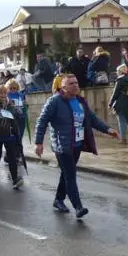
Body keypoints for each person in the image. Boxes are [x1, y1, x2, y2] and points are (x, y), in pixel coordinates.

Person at [34, 73, 119, 219]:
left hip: (77, 144)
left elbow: (92, 119)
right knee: (71, 175)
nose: (75, 86)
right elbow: (42, 121)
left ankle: (58, 200)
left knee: (66, 173)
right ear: (63, 87)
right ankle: (78, 207)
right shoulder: (54, 101)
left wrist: (108, 129)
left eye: (76, 83)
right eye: (71, 83)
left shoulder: (80, 101)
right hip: (62, 145)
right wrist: (38, 142)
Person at [0, 85, 23, 189]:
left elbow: (17, 116)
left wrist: (16, 109)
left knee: (12, 157)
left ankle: (15, 179)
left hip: (9, 134)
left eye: (5, 93)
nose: (3, 95)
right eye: (1, 93)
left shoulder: (9, 105)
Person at [108, 65, 128, 145]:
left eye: (117, 71)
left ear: (120, 72)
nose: (117, 73)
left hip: (121, 104)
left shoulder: (120, 80)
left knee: (122, 122)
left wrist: (110, 104)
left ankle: (123, 139)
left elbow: (115, 93)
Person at [6, 79, 28, 145]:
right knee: (12, 137)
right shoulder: (6, 96)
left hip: (21, 118)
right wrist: (7, 103)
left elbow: (25, 107)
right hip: (11, 119)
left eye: (14, 88)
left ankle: (19, 148)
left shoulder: (21, 95)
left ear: (17, 88)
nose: (12, 89)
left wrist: (25, 104)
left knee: (20, 136)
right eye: (10, 88)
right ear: (7, 88)